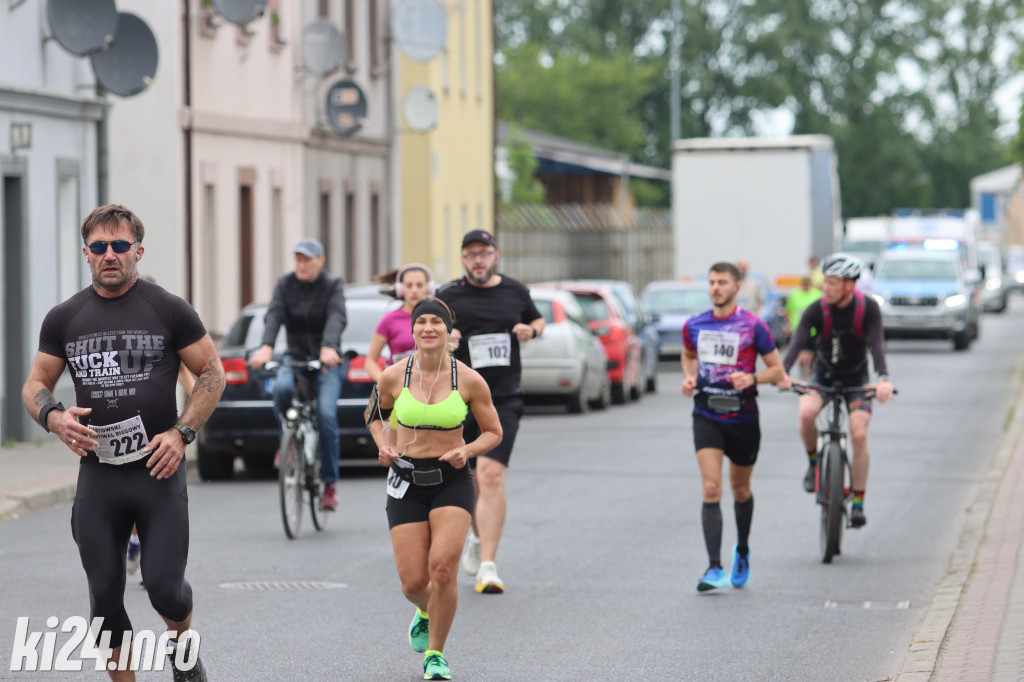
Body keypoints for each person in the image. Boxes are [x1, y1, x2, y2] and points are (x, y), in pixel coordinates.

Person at [21, 203, 224, 681]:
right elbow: (34, 384)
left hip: (159, 470)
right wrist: (54, 418)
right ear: (86, 253)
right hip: (99, 475)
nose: (109, 254)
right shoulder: (64, 318)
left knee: (164, 589)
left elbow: (212, 373)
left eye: (119, 246)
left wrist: (182, 433)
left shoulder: (168, 308)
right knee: (105, 600)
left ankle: (182, 647)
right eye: (99, 246)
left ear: (138, 251)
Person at [368, 298, 502, 681]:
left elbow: (494, 432)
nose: (429, 328)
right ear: (412, 331)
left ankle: (435, 654)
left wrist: (468, 449)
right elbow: (374, 416)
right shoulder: (393, 376)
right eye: (422, 322)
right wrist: (383, 444)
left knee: (442, 569)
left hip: (452, 480)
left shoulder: (470, 380)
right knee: (414, 583)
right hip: (406, 481)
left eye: (436, 323)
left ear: (448, 331)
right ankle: (425, 609)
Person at [437, 230, 544, 594]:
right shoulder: (449, 296)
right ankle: (478, 539)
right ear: (463, 259)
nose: (477, 260)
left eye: (483, 253)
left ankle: (488, 566)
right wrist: (447, 339)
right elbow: (432, 332)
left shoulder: (515, 291)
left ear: (495, 255)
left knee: (492, 475)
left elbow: (538, 321)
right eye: (470, 255)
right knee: (470, 478)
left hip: (504, 399)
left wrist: (530, 330)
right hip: (459, 401)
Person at [681, 262, 783, 592]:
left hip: (743, 417)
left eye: (722, 282)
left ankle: (742, 550)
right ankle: (713, 568)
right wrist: (689, 376)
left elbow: (777, 371)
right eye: (711, 282)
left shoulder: (754, 326)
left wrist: (752, 377)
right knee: (711, 488)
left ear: (737, 286)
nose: (715, 288)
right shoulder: (695, 324)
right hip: (707, 413)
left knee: (740, 489)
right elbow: (687, 354)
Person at [778, 253, 893, 528]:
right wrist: (782, 374)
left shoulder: (868, 309)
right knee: (806, 414)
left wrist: (883, 378)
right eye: (825, 282)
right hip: (823, 376)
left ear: (849, 286)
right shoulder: (817, 309)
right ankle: (814, 462)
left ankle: (858, 502)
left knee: (859, 434)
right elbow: (796, 344)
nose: (825, 288)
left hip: (857, 379)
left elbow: (877, 345)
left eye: (831, 283)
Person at [248, 238, 347, 511]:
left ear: (320, 261)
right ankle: (288, 440)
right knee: (280, 389)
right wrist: (266, 347)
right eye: (298, 259)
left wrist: (329, 346)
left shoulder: (332, 286)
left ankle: (329, 485)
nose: (301, 265)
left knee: (326, 415)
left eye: (307, 260)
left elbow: (337, 316)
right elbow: (275, 315)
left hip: (325, 360)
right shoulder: (285, 284)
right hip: (295, 356)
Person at [366, 263, 437, 384]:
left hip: (432, 388)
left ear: (429, 288)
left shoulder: (438, 319)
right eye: (409, 285)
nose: (414, 290)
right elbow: (370, 362)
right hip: (400, 389)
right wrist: (386, 384)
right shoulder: (389, 320)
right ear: (401, 289)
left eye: (419, 285)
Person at [784, 275, 823, 378]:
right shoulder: (794, 295)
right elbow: (788, 310)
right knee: (802, 357)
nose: (806, 284)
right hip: (798, 330)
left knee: (812, 358)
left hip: (814, 331)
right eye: (804, 282)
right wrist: (787, 324)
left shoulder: (817, 294)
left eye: (808, 282)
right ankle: (804, 372)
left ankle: (811, 376)